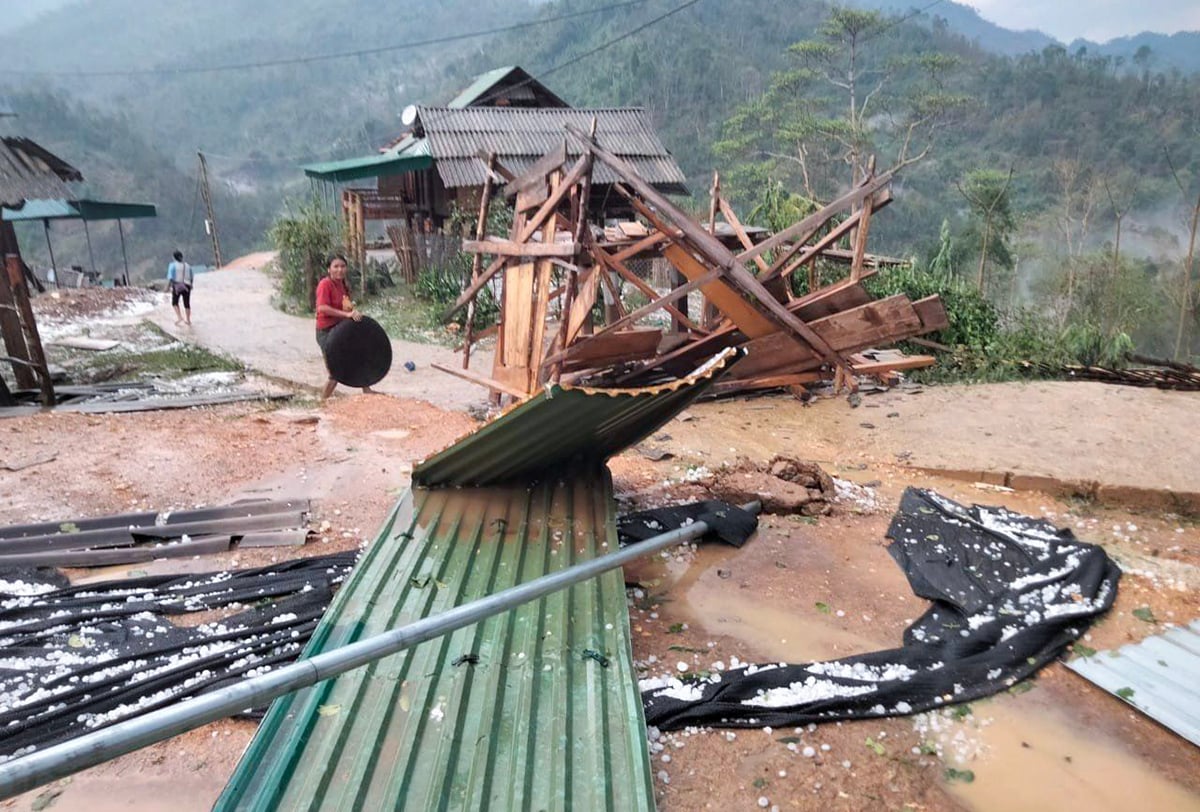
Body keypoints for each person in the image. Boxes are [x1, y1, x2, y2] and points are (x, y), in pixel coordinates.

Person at [315, 253, 375, 400]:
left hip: (340, 329)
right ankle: (321, 402)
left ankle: (366, 390)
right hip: (326, 332)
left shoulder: (342, 285)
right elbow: (322, 308)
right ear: (329, 269)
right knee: (335, 373)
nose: (339, 270)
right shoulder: (325, 284)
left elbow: (345, 307)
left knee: (357, 356)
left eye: (342, 266)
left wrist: (352, 313)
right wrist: (346, 315)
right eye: (336, 266)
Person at [166, 250, 193, 325]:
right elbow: (191, 277)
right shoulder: (187, 265)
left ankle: (179, 317)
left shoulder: (172, 265)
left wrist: (167, 287)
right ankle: (188, 320)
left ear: (174, 258)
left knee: (175, 302)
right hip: (187, 286)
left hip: (177, 285)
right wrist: (191, 285)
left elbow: (170, 278)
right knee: (187, 303)